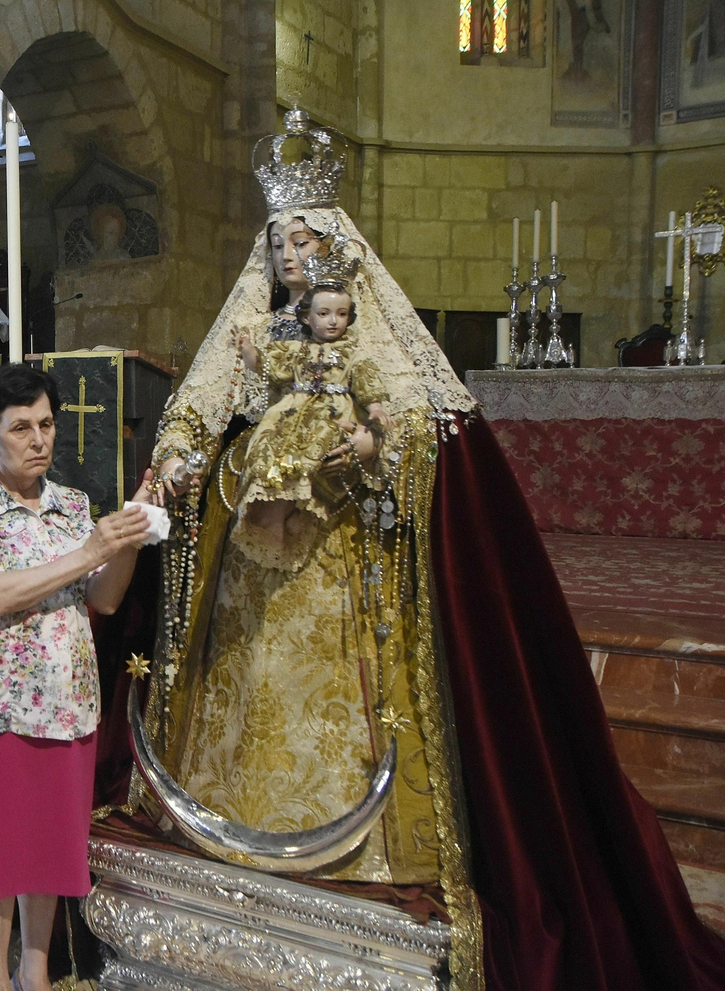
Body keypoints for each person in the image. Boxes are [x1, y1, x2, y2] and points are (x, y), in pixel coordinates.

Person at [126, 108, 725, 990]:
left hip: (342, 550)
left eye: (303, 244)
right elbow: (205, 397)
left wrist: (371, 445)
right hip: (251, 557)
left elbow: (411, 411)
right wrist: (175, 459)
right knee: (248, 676)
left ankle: (353, 832)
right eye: (278, 247)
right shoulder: (253, 328)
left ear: (333, 252)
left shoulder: (356, 321)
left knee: (337, 685)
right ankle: (233, 808)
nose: (289, 259)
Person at [0, 364, 151, 991]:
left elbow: (104, 600)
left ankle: (35, 969)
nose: (39, 440)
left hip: (66, 702)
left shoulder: (72, 506)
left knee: (49, 848)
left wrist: (128, 538)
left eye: (47, 424)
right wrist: (88, 551)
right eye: (21, 427)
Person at [233, 269, 388, 569]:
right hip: (289, 412)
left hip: (329, 413)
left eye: (341, 314)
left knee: (318, 454)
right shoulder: (295, 351)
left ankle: (297, 512)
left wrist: (376, 409)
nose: (333, 321)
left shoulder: (353, 354)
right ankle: (273, 518)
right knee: (264, 452)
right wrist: (249, 351)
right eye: (325, 313)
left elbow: (367, 383)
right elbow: (269, 370)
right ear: (307, 318)